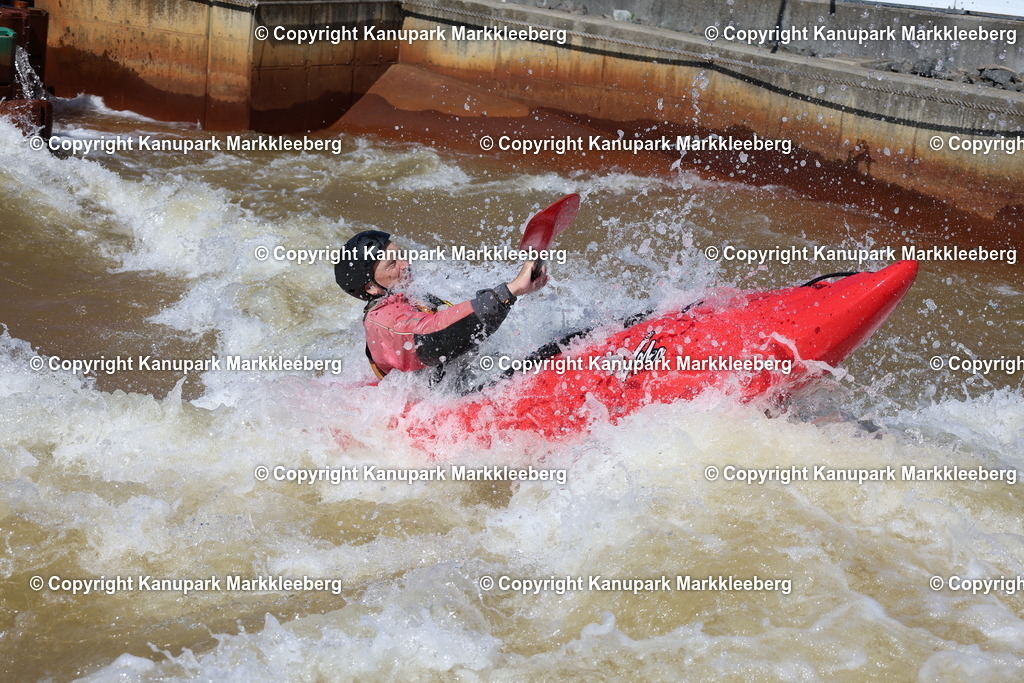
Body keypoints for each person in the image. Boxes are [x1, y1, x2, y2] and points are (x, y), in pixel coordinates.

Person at [335, 230, 549, 381]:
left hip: (462, 382)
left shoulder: (414, 296)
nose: (406, 263)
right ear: (371, 288)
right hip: (441, 404)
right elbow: (432, 334)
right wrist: (510, 291)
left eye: (401, 254)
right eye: (393, 264)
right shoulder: (382, 320)